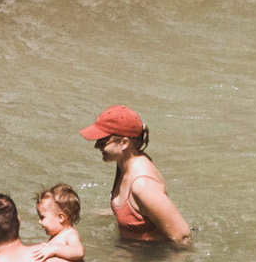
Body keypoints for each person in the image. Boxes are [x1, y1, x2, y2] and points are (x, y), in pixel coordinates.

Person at [80, 105, 190, 245]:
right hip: (132, 250)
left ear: (124, 143)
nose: (96, 146)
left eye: (102, 141)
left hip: (151, 256)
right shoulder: (124, 164)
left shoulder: (142, 185)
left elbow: (183, 237)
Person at [31, 183, 86, 262]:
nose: (39, 221)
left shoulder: (70, 234)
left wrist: (55, 249)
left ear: (60, 218)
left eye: (42, 217)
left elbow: (79, 251)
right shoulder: (58, 235)